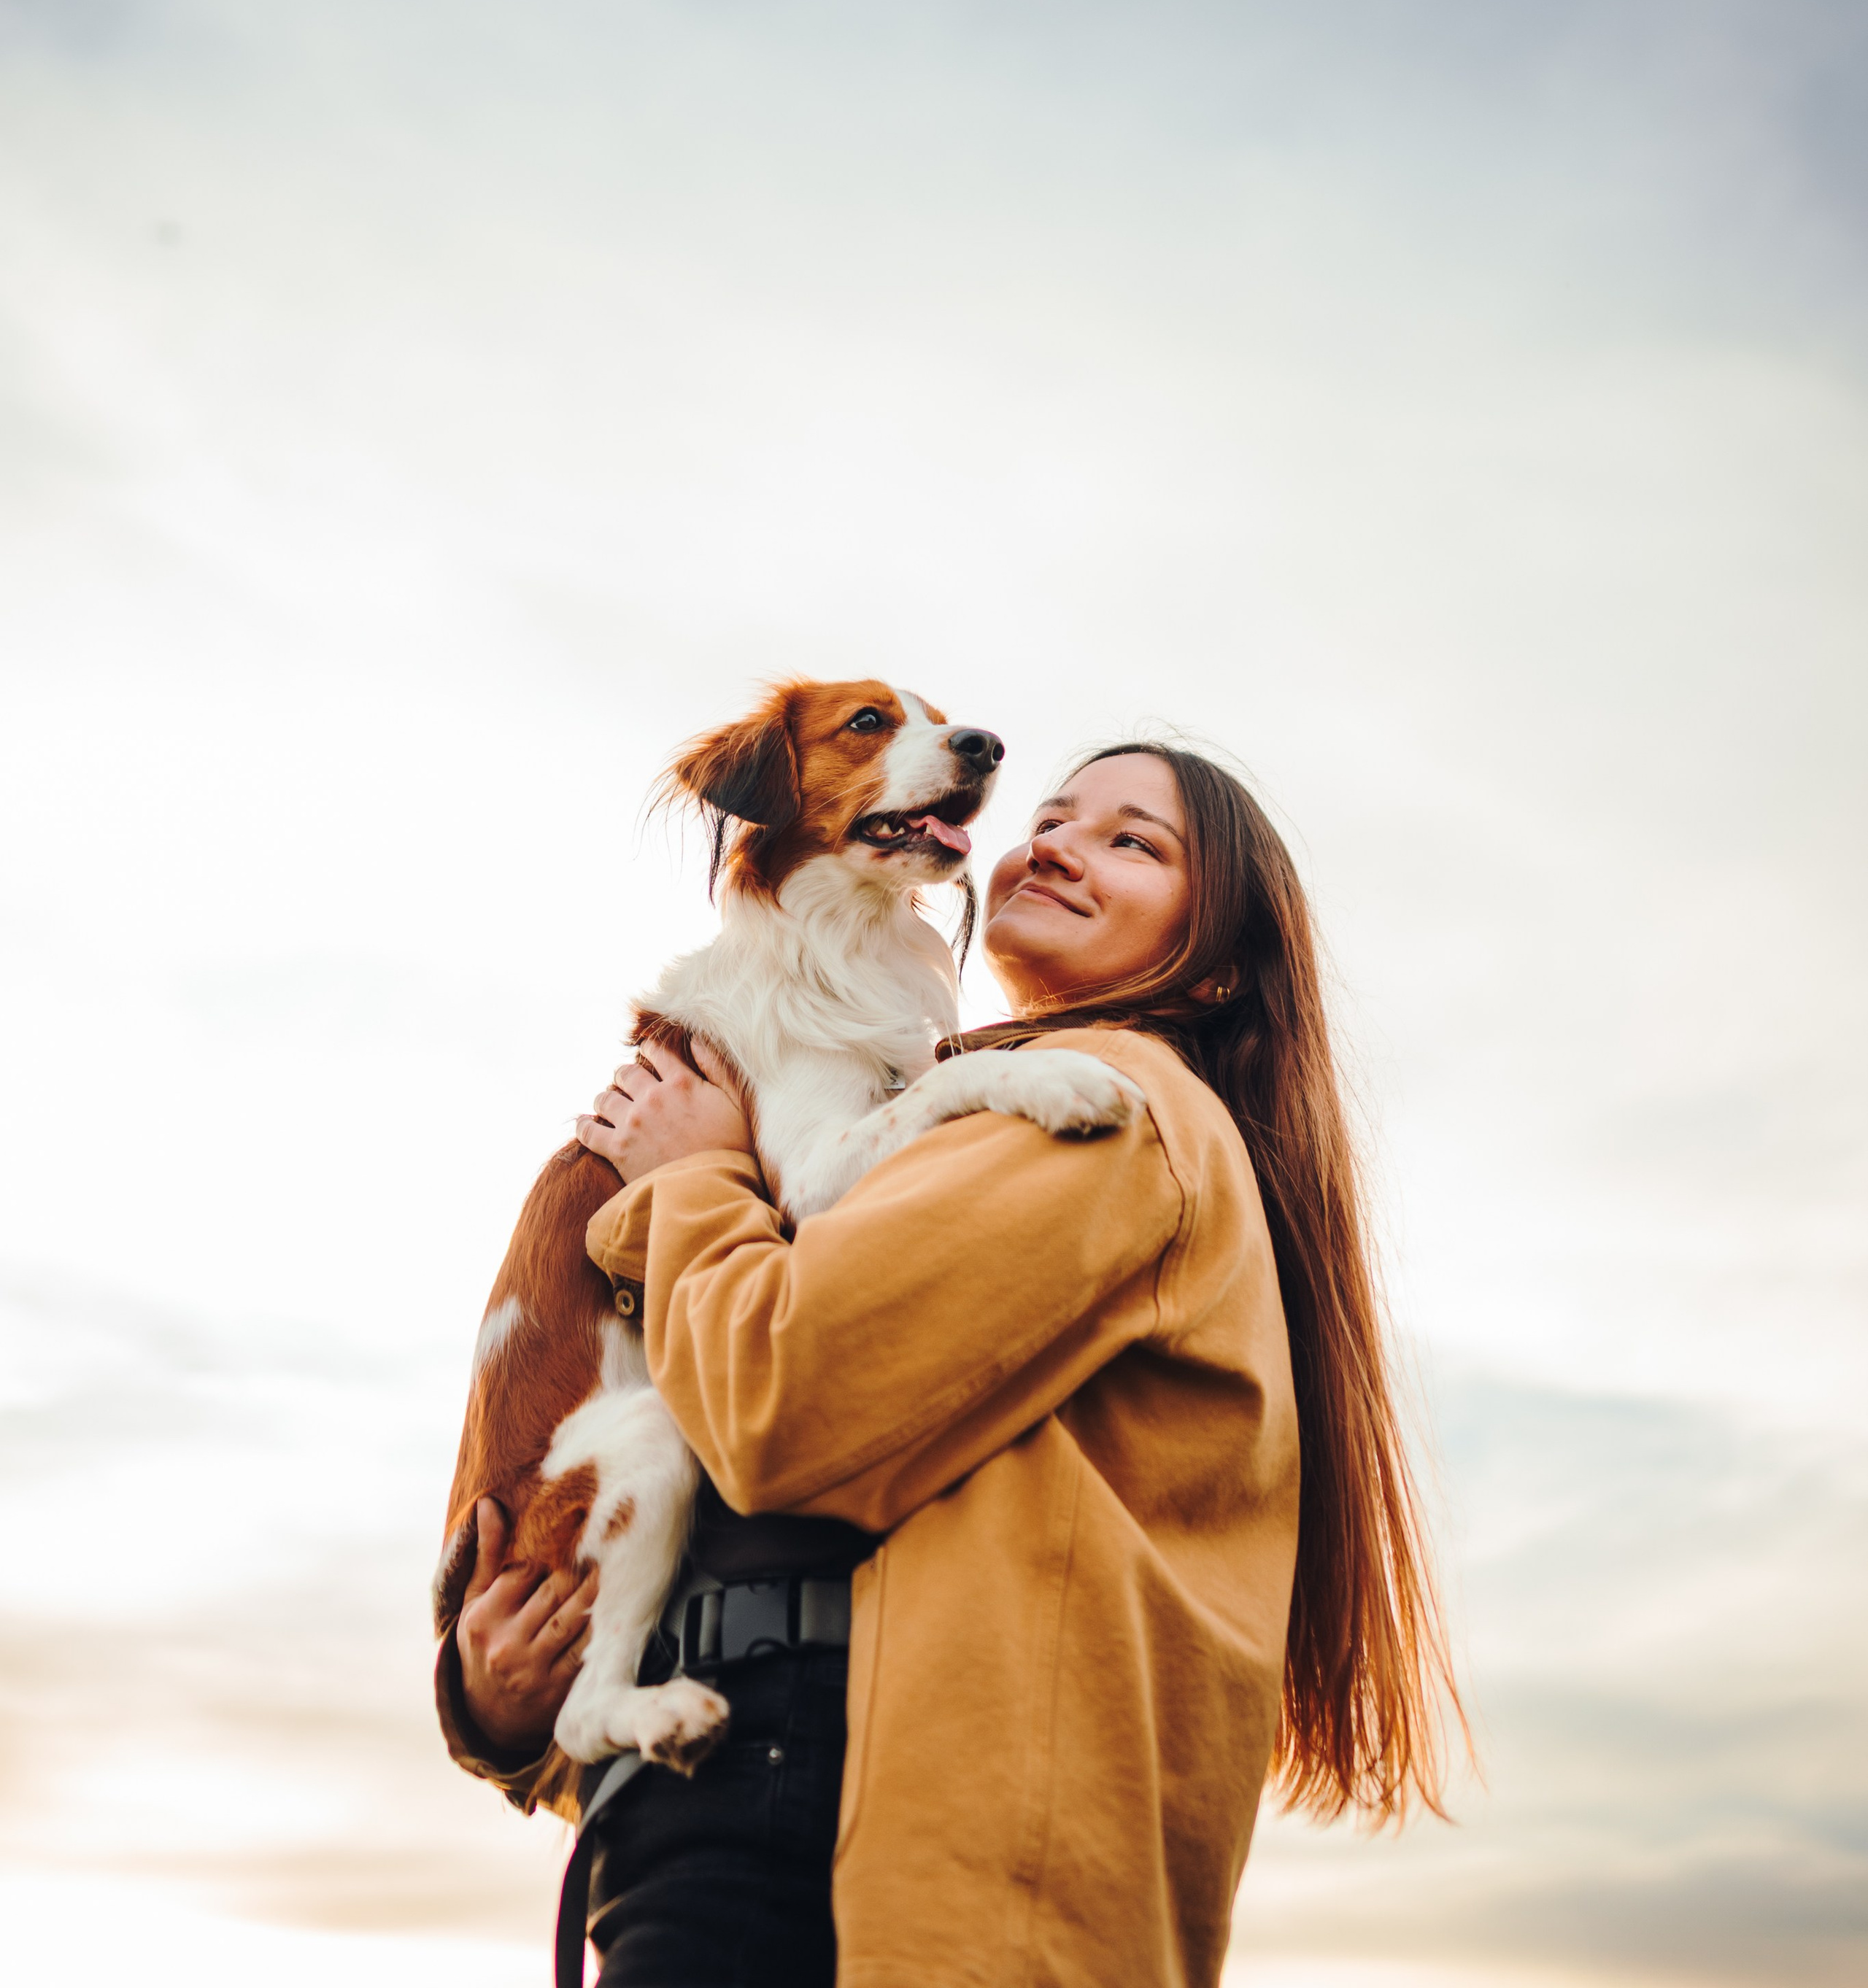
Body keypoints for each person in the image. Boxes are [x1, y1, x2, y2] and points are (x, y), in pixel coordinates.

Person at [442, 743, 1463, 1988]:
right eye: (1052, 818)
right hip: (740, 1793)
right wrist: (509, 1716)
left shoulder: (1106, 1108)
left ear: (1226, 965)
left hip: (815, 1837)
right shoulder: (949, 1109)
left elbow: (779, 1408)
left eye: (1133, 841)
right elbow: (800, 1557)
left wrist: (691, 1175)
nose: (1057, 846)